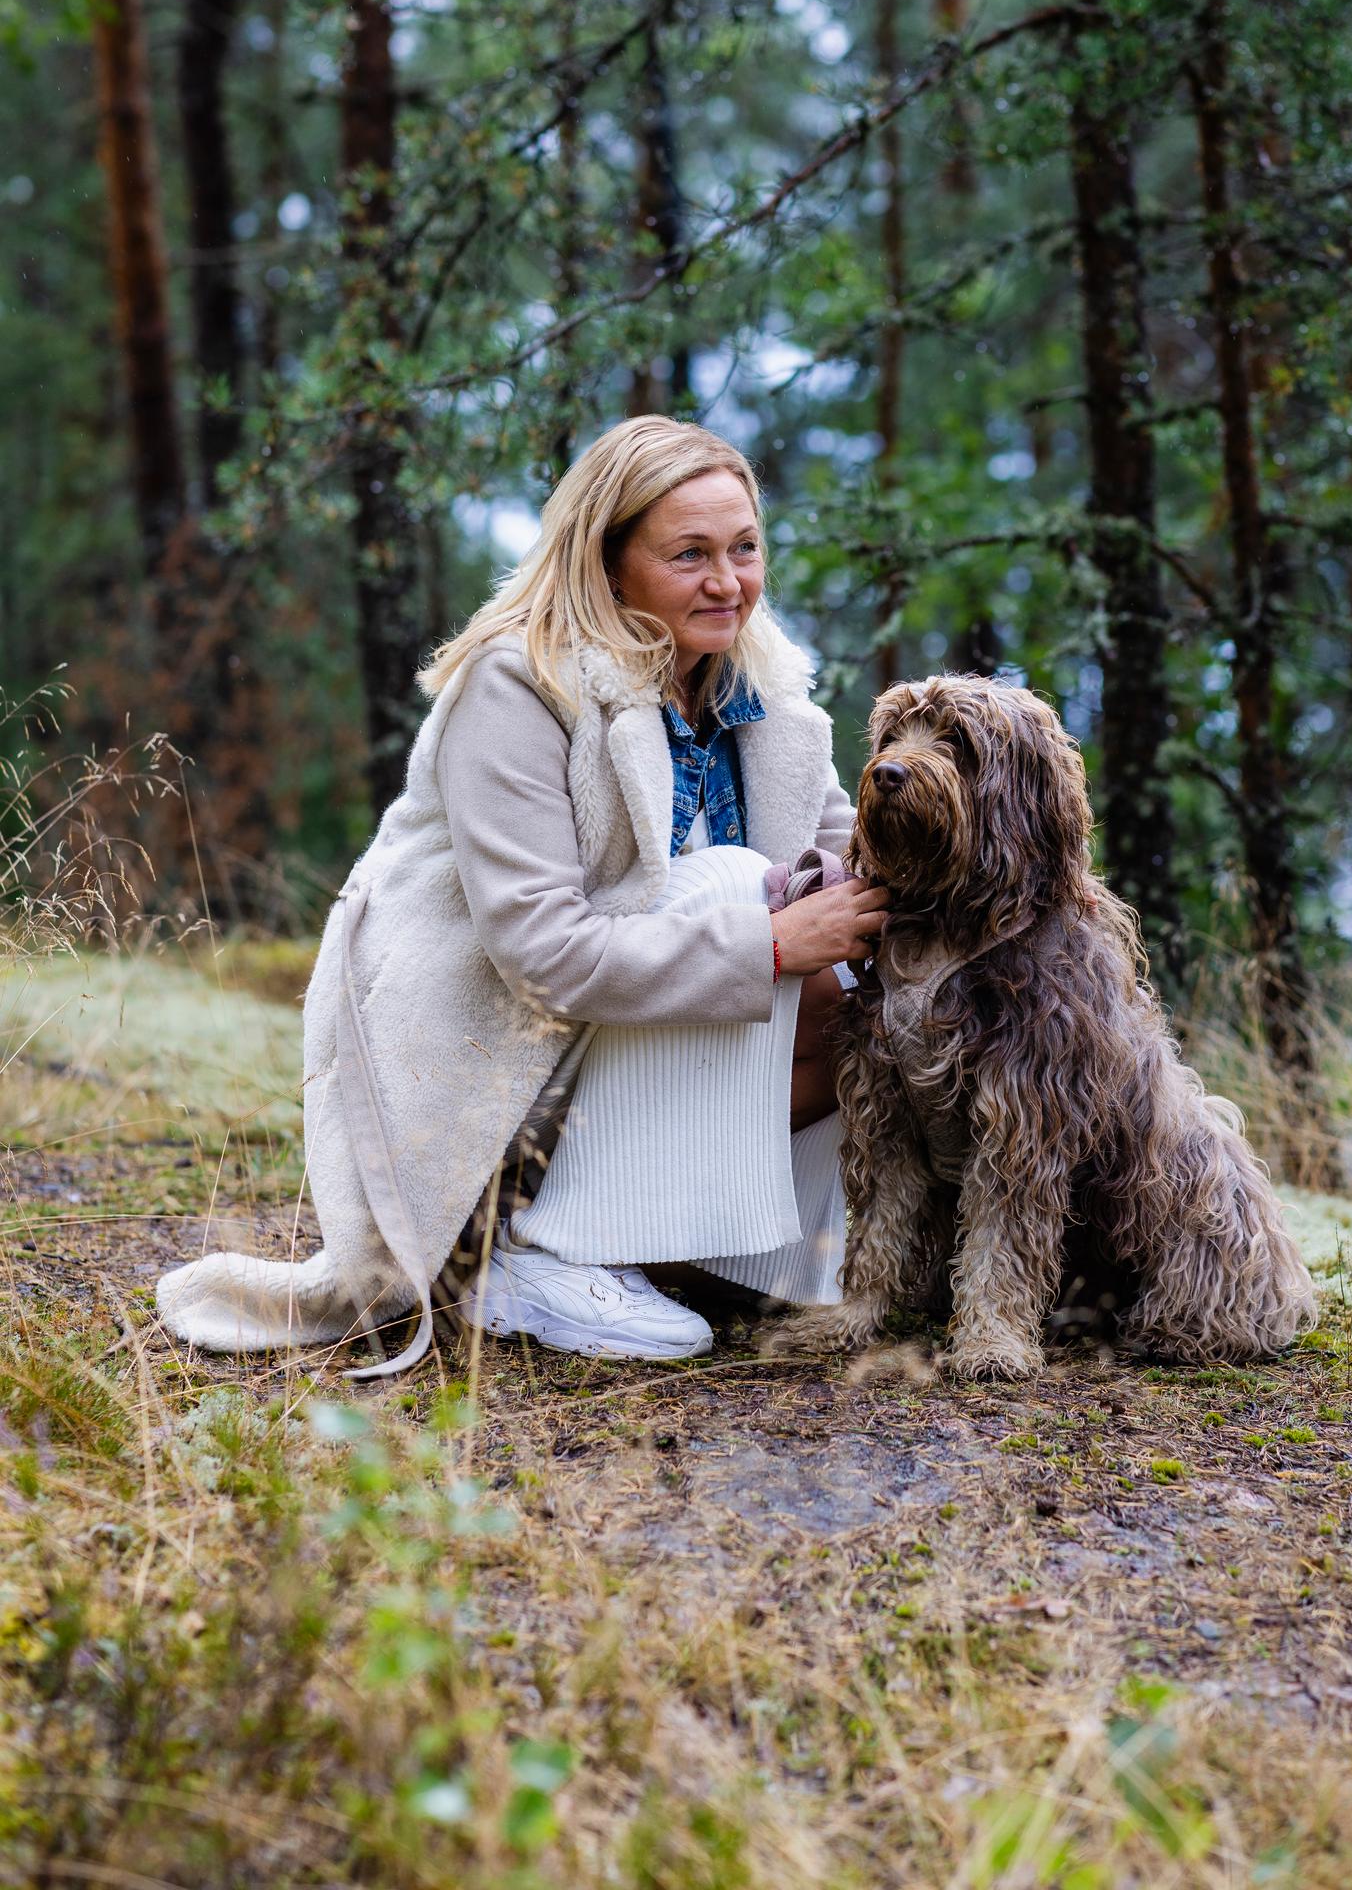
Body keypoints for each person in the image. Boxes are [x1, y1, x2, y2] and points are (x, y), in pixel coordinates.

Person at [156, 417, 889, 1374]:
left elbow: (847, 861)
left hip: (630, 1037)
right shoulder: (517, 684)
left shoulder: (765, 692)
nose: (727, 582)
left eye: (744, 548)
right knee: (734, 886)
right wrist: (776, 942)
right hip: (495, 1047)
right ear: (607, 562)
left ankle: (684, 1244)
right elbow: (545, 957)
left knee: (859, 1004)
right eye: (689, 555)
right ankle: (531, 1243)